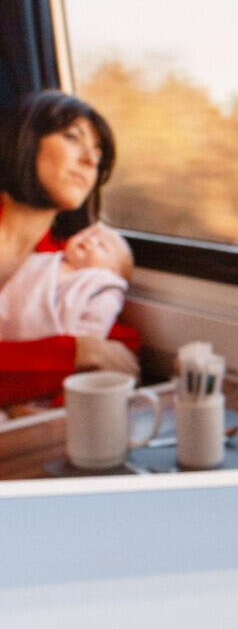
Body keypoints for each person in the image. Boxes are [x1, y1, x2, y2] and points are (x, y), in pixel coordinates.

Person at [0, 90, 139, 411]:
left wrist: (44, 411)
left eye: (98, 154)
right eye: (73, 138)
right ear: (26, 141)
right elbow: (94, 351)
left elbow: (118, 349)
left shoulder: (70, 262)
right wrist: (77, 353)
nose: (90, 161)